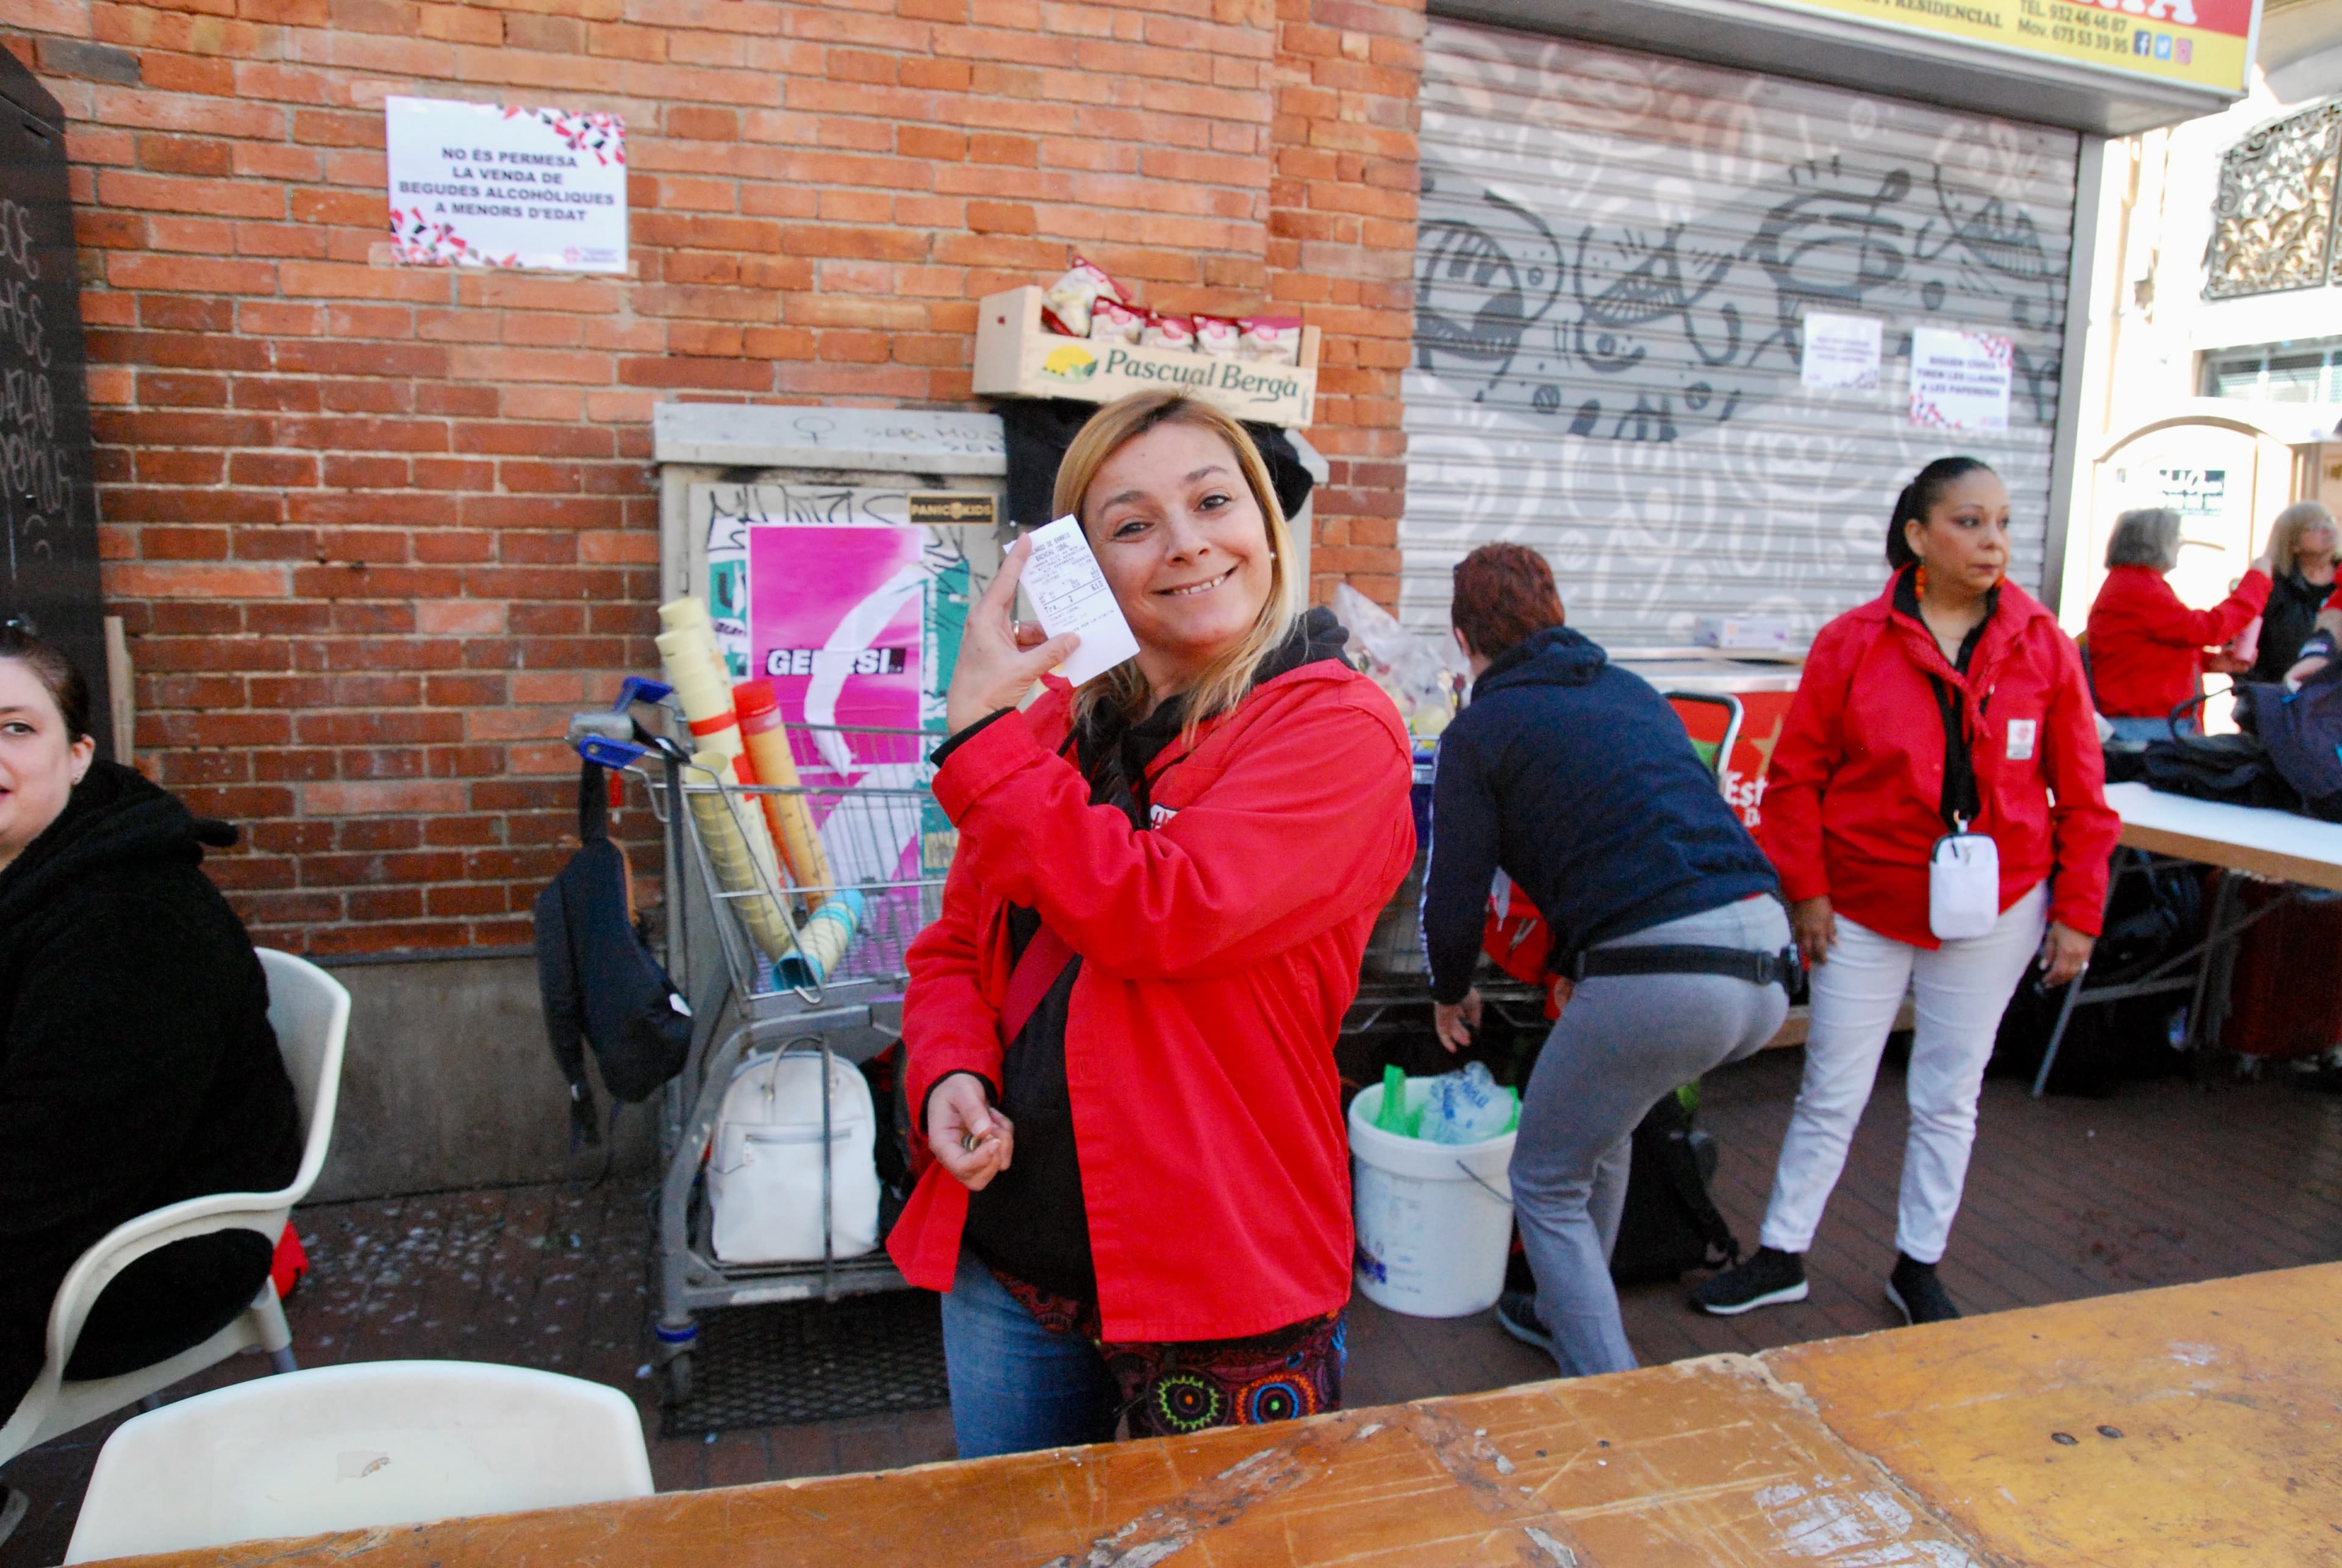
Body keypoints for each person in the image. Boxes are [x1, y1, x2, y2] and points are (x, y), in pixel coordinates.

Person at [884, 392, 1416, 1457]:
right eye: (1132, 525)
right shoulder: (1048, 724)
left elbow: (1163, 909)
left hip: (1221, 1271)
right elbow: (955, 947)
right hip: (1017, 1264)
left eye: (1213, 501)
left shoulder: (1334, 727)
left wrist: (982, 742)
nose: (1185, 545)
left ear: (1265, 525)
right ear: (1090, 568)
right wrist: (951, 1071)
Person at [1694, 458, 2119, 1325]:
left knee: (1948, 1092)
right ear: (1918, 536)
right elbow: (1795, 780)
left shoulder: (2043, 643)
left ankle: (1918, 1262)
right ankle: (1782, 1252)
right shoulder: (1853, 641)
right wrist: (1806, 892)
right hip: (1862, 902)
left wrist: (2078, 912)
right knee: (1832, 1085)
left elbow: (2082, 794)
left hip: (1999, 905)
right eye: (1968, 522)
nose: (1992, 540)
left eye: (2001, 522)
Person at [1420, 544, 1791, 1378]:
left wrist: (1451, 991)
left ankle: (1608, 1387)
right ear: (1555, 612)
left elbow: (1453, 891)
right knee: (1603, 1126)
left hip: (1659, 975)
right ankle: (1564, 1308)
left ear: (1460, 637)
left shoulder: (1481, 729)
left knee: (1544, 1179)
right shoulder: (1631, 690)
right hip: (1766, 955)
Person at [1, 626, 301, 1423]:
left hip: (137, 1262)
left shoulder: (131, 923)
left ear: (77, 753)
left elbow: (49, 1185)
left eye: (16, 726)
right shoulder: (30, 870)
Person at [2083, 506, 2270, 742]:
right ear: (2157, 544)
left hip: (2149, 721)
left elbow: (2151, 650)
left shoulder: (2132, 583)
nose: (2180, 546)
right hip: (2148, 724)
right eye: (2176, 539)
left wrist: (2212, 662)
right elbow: (2208, 629)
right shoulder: (2138, 587)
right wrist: (2257, 582)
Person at [2246, 501, 2338, 686]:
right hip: (2280, 697)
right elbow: (2243, 649)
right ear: (2293, 543)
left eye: (2329, 521)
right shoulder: (2270, 585)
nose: (2327, 529)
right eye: (2314, 526)